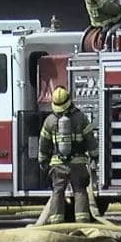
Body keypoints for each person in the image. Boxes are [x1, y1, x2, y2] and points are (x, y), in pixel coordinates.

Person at [38, 87, 99, 224]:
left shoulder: (49, 121)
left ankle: (56, 224)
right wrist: (95, 156)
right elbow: (90, 139)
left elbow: (44, 143)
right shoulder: (81, 118)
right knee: (80, 191)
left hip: (57, 164)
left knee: (57, 192)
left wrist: (43, 161)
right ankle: (83, 223)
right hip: (78, 164)